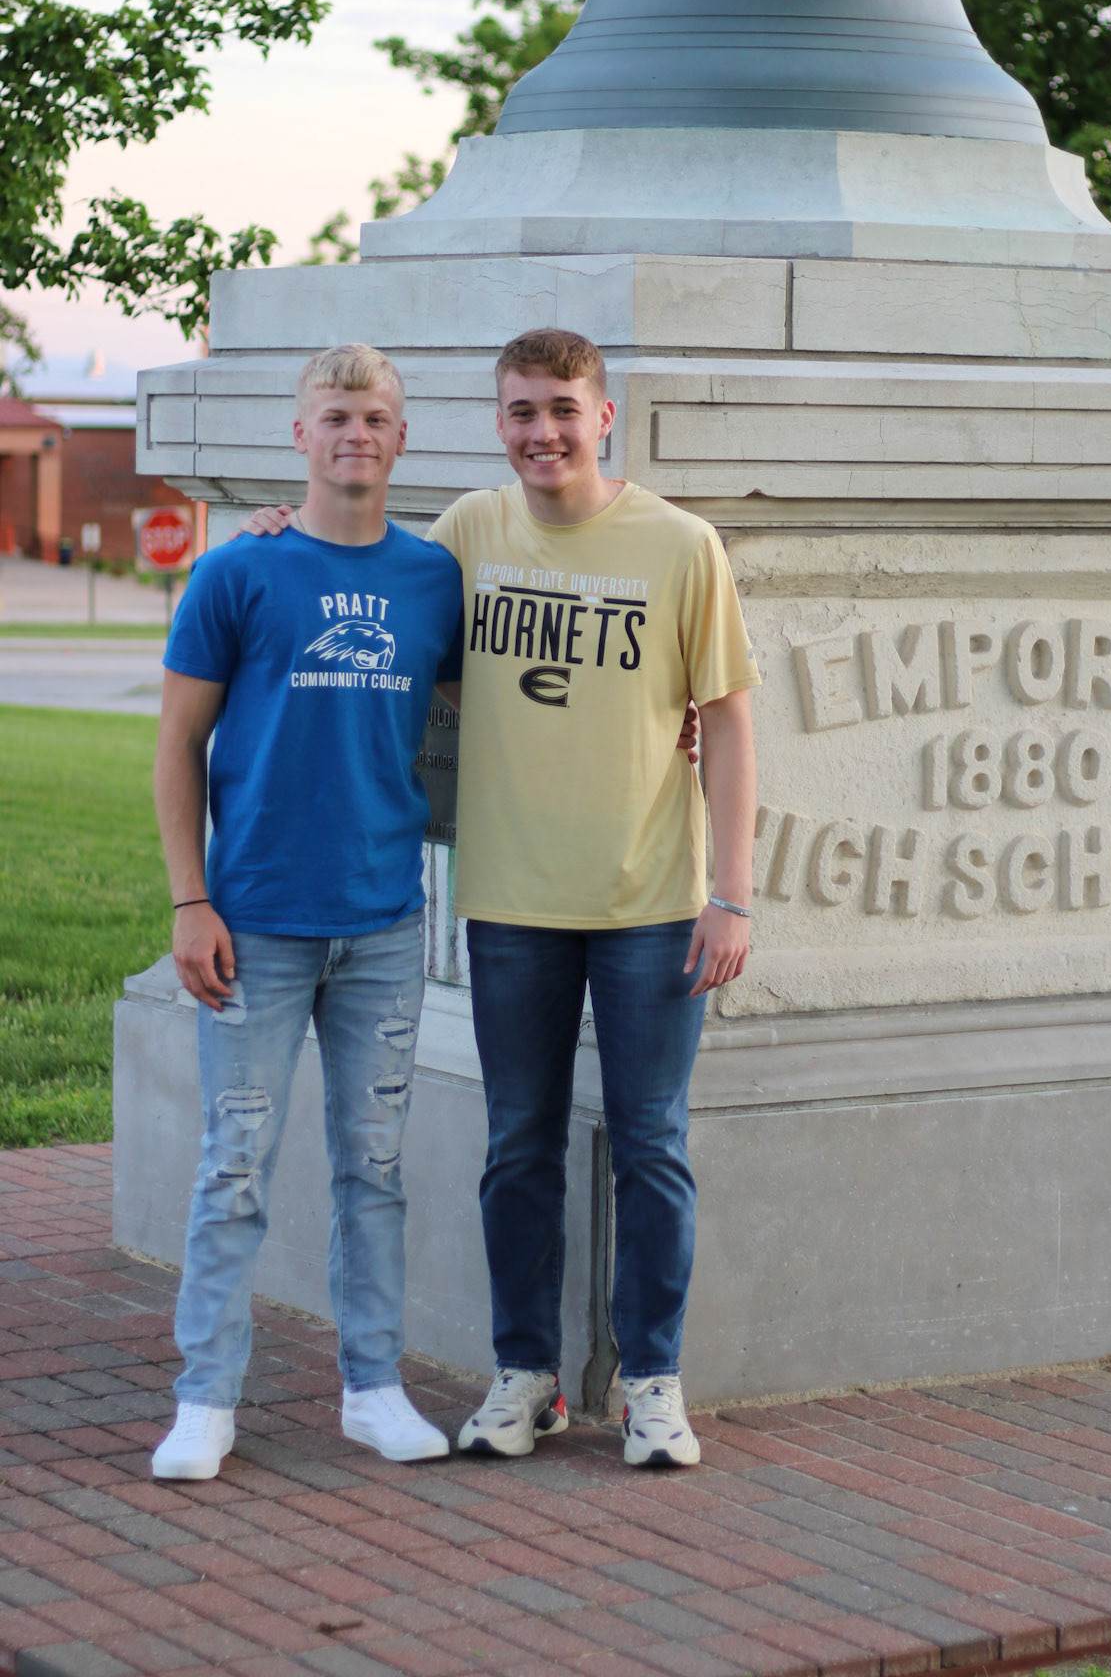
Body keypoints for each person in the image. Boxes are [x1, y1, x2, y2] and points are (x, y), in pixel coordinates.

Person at [430, 328, 758, 1469]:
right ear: (500, 420)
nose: (542, 431)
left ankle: (652, 1379)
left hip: (652, 903)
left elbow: (724, 719)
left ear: (604, 416)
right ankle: (527, 1372)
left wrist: (735, 893)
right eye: (521, 410)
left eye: (563, 408)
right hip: (512, 899)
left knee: (651, 1144)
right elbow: (370, 591)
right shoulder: (471, 530)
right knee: (518, 1143)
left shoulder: (680, 544)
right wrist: (279, 530)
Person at [150, 344, 465, 1482]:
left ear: (399, 436)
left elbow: (530, 703)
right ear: (300, 434)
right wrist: (192, 898)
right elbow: (178, 745)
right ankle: (205, 1398)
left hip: (383, 925)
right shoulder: (240, 573)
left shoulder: (435, 579)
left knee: (372, 1167)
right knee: (234, 1163)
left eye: (376, 416)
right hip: (257, 924)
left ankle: (372, 1386)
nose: (356, 433)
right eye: (335, 415)